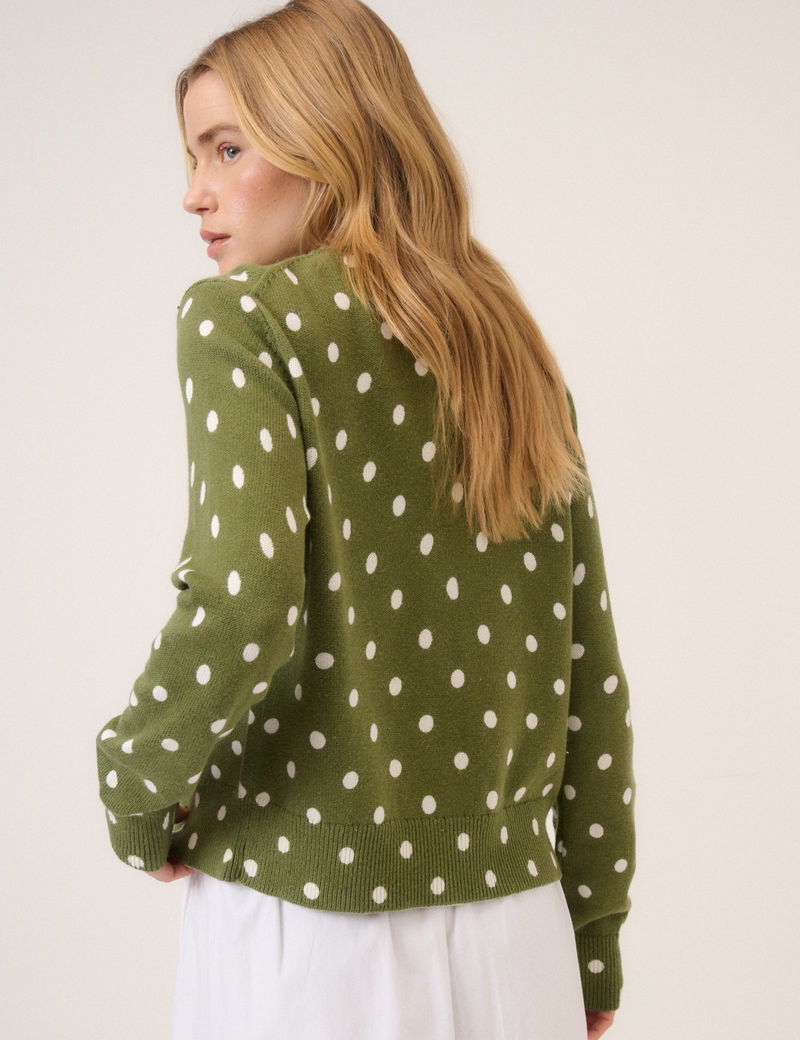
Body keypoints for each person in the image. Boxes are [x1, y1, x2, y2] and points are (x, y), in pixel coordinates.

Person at [92, 2, 636, 1038]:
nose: (194, 191)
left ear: (328, 137)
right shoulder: (508, 348)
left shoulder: (244, 320)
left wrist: (132, 779)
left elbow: (242, 600)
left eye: (227, 147)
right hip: (521, 935)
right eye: (194, 154)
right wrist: (593, 937)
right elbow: (587, 670)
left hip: (309, 934)